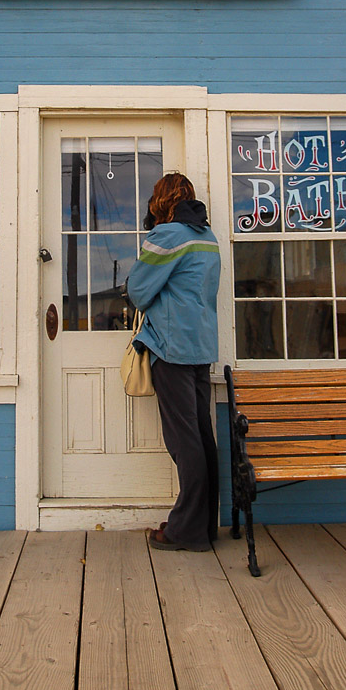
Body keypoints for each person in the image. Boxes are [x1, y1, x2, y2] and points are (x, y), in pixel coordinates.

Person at [126, 173, 221, 551]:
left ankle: (184, 531)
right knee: (201, 438)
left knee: (184, 443)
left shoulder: (167, 236)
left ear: (162, 201)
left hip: (172, 347)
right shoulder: (207, 237)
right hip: (200, 347)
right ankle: (203, 526)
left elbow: (138, 290)